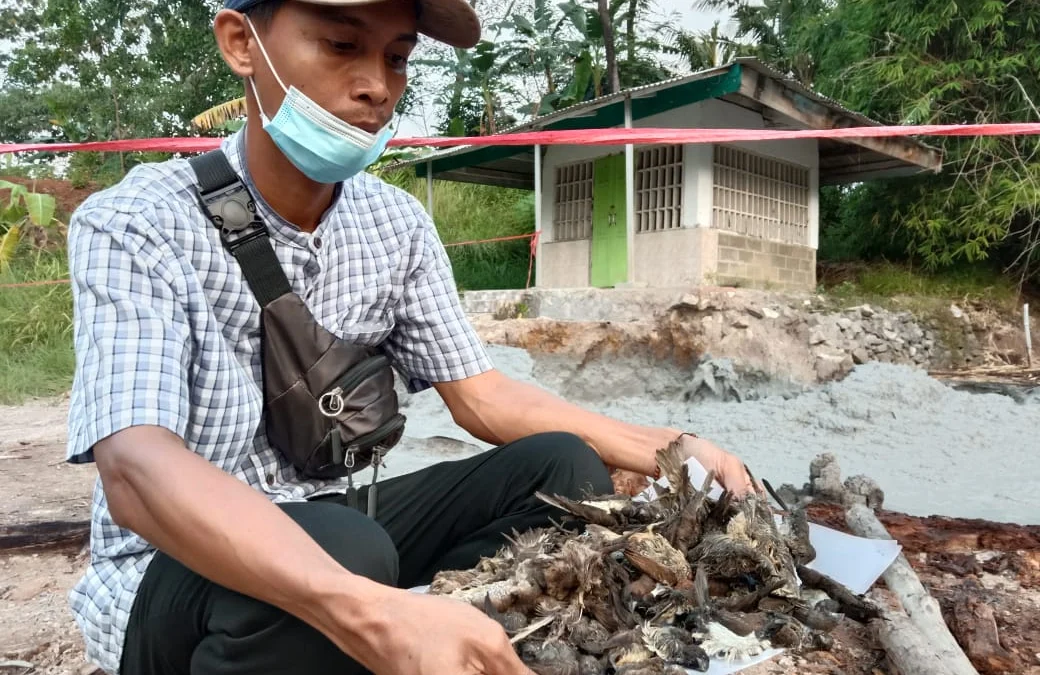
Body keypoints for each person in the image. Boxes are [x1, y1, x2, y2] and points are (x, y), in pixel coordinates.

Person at [63, 0, 756, 673]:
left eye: (397, 58)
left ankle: (437, 639)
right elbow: (135, 468)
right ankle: (366, 626)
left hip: (329, 528)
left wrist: (671, 449)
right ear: (242, 43)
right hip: (172, 572)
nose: (377, 86)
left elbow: (481, 397)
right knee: (348, 551)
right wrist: (369, 609)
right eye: (341, 45)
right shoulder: (136, 222)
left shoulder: (394, 224)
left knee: (560, 473)